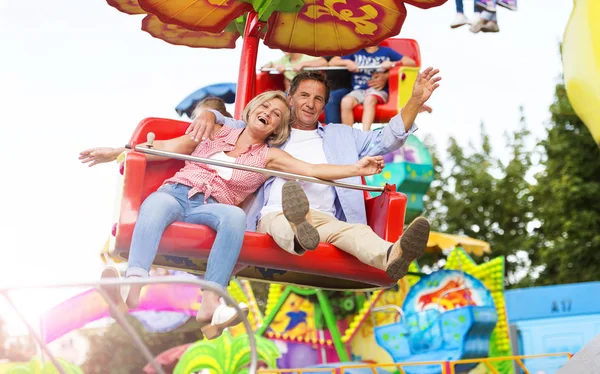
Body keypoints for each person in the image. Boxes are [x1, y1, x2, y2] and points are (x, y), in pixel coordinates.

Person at [79, 90, 385, 339]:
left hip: (212, 206)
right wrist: (116, 151)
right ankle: (131, 288)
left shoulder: (269, 156)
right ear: (251, 111)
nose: (269, 113)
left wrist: (356, 169)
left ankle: (211, 300)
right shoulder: (216, 132)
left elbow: (312, 170)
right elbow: (163, 147)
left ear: (278, 128)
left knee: (234, 217)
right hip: (178, 192)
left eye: (277, 114)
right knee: (156, 204)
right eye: (265, 106)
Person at [187, 67, 441, 283]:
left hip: (325, 219)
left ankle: (392, 255)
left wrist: (415, 101)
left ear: (323, 105)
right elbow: (235, 124)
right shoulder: (271, 129)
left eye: (318, 99)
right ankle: (299, 232)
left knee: (355, 233)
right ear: (290, 98)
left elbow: (388, 138)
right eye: (304, 96)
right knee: (282, 225)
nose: (310, 103)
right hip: (275, 213)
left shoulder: (343, 135)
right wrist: (209, 114)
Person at [329, 46, 417, 131]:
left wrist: (392, 64)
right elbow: (332, 62)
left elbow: (411, 62)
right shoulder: (356, 52)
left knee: (369, 100)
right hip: (358, 90)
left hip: (377, 90)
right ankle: (348, 136)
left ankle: (365, 133)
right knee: (346, 102)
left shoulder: (386, 52)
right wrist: (347, 62)